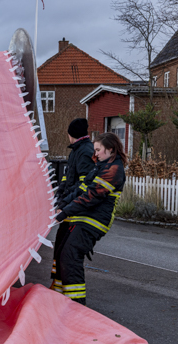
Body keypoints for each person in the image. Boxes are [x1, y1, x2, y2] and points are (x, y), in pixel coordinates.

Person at [52, 132, 127, 305]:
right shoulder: (99, 166)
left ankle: (76, 304)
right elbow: (81, 190)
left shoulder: (114, 170)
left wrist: (65, 213)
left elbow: (92, 196)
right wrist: (61, 205)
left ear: (110, 149)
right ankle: (58, 297)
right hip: (84, 217)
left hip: (94, 221)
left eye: (99, 150)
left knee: (70, 255)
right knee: (62, 252)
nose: (96, 154)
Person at [51, 118, 95, 295]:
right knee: (60, 248)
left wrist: (64, 203)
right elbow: (67, 179)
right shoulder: (78, 151)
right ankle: (57, 285)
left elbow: (81, 185)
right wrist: (58, 198)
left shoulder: (84, 152)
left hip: (77, 211)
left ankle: (68, 295)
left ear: (71, 134)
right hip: (69, 207)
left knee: (66, 252)